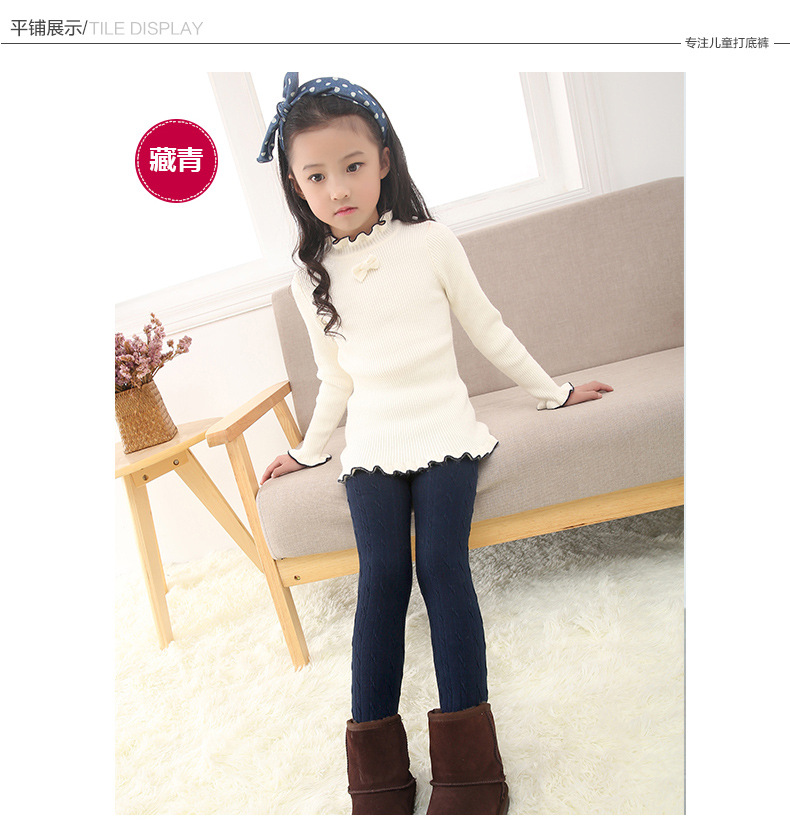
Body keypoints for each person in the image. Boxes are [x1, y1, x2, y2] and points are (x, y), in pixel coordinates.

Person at [257, 73, 613, 816]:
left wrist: (553, 391)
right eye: (315, 175)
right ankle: (377, 779)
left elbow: (489, 329)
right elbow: (334, 379)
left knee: (443, 567)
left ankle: (471, 775)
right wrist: (309, 450)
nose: (337, 188)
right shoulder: (308, 275)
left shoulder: (431, 243)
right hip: (372, 442)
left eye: (353, 165)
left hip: (446, 431)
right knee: (382, 577)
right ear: (294, 184)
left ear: (384, 160)